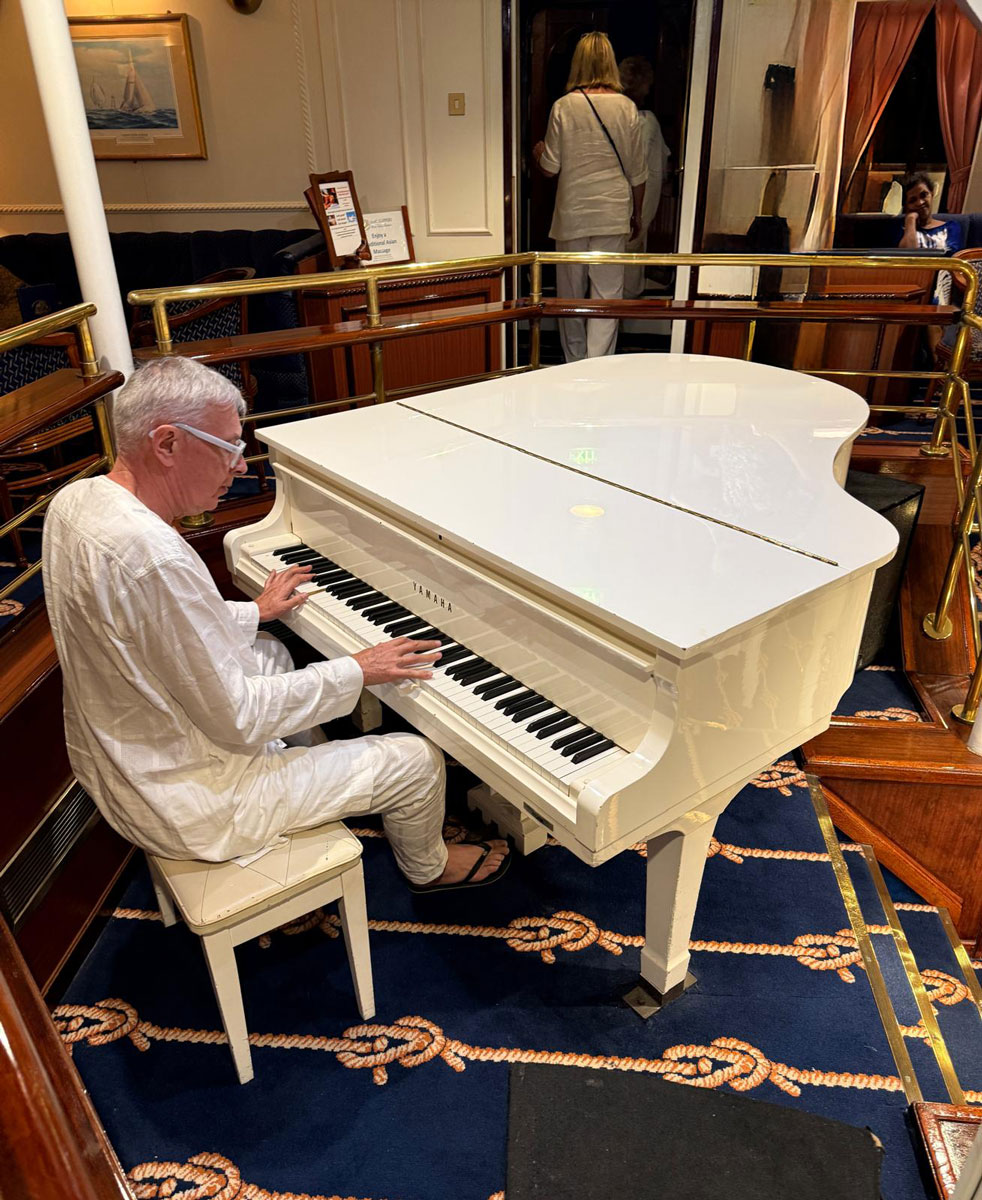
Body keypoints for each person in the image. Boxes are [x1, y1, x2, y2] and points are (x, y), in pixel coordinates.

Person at [41, 356, 508, 892]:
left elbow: (151, 629)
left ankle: (310, 780)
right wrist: (357, 669)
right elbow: (238, 719)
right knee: (415, 759)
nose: (240, 467)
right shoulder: (155, 555)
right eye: (228, 448)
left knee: (269, 649)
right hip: (193, 800)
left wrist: (253, 611)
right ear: (167, 443)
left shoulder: (77, 501)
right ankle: (429, 868)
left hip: (123, 757)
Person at [533, 31, 645, 361]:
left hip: (572, 215)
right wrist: (636, 214)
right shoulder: (627, 108)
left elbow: (551, 168)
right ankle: (600, 368)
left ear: (576, 63)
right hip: (612, 213)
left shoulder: (563, 107)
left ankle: (574, 365)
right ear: (610, 62)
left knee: (569, 296)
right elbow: (638, 172)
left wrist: (539, 153)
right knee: (607, 297)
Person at [618, 55, 669, 300]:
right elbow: (659, 166)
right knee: (634, 247)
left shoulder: (617, 122)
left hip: (619, 197)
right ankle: (628, 301)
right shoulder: (647, 122)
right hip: (642, 194)